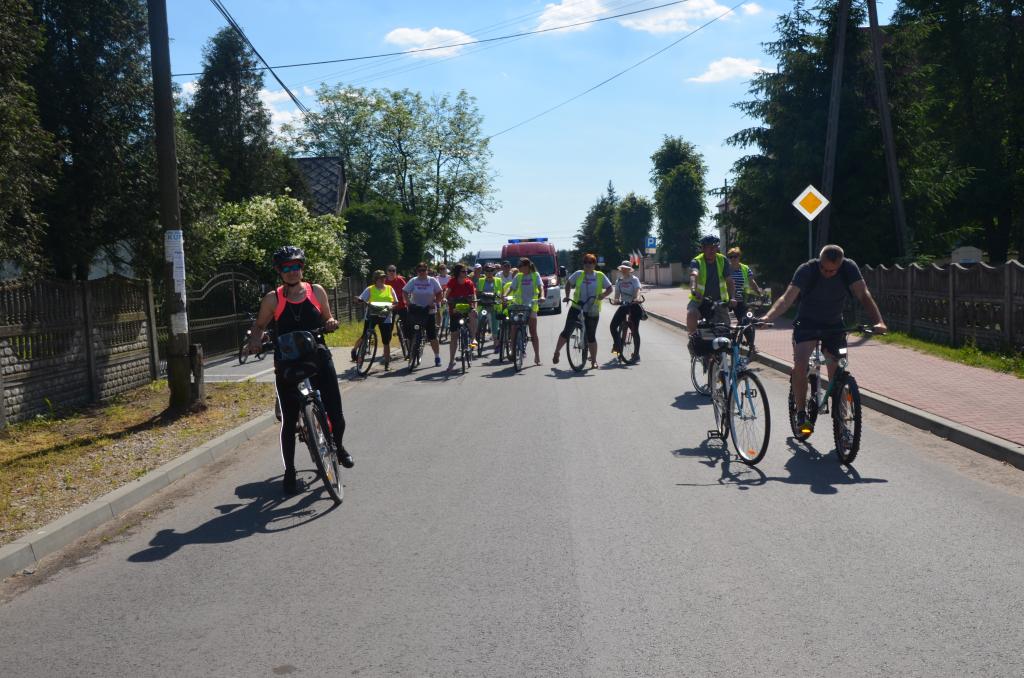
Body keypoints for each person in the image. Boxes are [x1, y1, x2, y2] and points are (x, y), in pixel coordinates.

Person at [248, 246, 353, 495]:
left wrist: (331, 322)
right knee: (288, 420)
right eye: (286, 268)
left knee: (336, 414)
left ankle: (338, 447)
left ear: (302, 268)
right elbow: (260, 325)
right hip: (287, 362)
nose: (292, 271)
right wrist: (255, 340)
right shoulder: (273, 299)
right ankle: (290, 471)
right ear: (279, 271)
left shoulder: (316, 291)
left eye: (296, 266)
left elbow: (327, 317)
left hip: (317, 357)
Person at [759, 244, 887, 434]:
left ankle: (842, 421)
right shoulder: (807, 270)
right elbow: (786, 299)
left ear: (840, 264)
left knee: (837, 371)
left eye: (832, 271)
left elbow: (863, 294)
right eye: (824, 269)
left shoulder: (849, 268)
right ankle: (801, 413)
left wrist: (879, 321)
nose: (828, 273)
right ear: (820, 261)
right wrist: (768, 317)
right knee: (801, 364)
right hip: (806, 324)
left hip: (833, 325)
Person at [553, 253, 612, 369]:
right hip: (577, 307)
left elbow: (610, 288)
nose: (588, 265)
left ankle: (593, 361)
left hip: (592, 309)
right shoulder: (578, 274)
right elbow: (568, 283)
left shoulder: (600, 275)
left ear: (594, 264)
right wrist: (567, 296)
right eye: (585, 262)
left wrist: (603, 295)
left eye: (590, 262)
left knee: (591, 336)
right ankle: (557, 352)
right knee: (567, 331)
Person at [686, 234, 737, 338]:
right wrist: (693, 290)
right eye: (708, 247)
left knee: (726, 331)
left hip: (719, 300)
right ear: (703, 249)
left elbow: (729, 281)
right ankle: (692, 336)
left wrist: (732, 297)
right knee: (691, 313)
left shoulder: (722, 260)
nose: (712, 250)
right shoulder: (697, 261)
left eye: (714, 247)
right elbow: (694, 275)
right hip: (700, 299)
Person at [353, 269, 398, 370]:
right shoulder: (370, 289)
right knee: (365, 335)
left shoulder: (390, 288)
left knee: (386, 340)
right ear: (376, 279)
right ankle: (355, 350)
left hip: (386, 317)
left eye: (384, 277)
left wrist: (391, 307)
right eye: (380, 277)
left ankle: (387, 363)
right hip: (371, 315)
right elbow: (361, 299)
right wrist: (358, 300)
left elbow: (396, 302)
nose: (383, 279)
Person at [403, 262, 444, 367]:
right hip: (416, 310)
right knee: (410, 333)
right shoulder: (413, 281)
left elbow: (440, 293)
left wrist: (435, 303)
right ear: (417, 271)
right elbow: (405, 292)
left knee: (432, 336)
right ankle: (411, 352)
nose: (421, 272)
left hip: (428, 311)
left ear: (427, 270)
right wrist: (408, 302)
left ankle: (437, 357)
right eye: (419, 270)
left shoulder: (432, 280)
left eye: (424, 270)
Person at [505, 257, 544, 365]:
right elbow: (511, 288)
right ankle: (512, 351)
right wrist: (505, 295)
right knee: (514, 327)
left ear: (527, 266)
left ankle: (537, 355)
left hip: (531, 306)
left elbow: (541, 287)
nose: (519, 268)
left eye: (520, 266)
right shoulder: (518, 276)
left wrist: (542, 296)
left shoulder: (535, 275)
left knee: (533, 331)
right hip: (519, 306)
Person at [445, 263, 479, 369]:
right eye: (463, 271)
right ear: (458, 273)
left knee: (473, 314)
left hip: (467, 308)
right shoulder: (452, 282)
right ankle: (451, 361)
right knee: (454, 336)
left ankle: (473, 338)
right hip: (455, 310)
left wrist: (475, 307)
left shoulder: (469, 283)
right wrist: (445, 299)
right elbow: (447, 293)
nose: (466, 273)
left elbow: (474, 296)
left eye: (466, 271)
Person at [609, 260, 643, 358]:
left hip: (633, 306)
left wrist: (637, 298)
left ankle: (636, 354)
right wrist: (616, 300)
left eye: (626, 268)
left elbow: (638, 290)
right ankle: (617, 345)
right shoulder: (619, 281)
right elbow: (617, 294)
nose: (624, 270)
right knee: (613, 326)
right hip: (624, 305)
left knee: (634, 330)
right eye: (622, 268)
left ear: (630, 270)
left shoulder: (634, 279)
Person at [726, 246, 762, 324]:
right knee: (724, 322)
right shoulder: (726, 269)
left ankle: (741, 330)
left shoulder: (745, 268)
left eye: (735, 256)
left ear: (739, 257)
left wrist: (759, 292)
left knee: (744, 321)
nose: (733, 259)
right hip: (728, 299)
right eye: (731, 257)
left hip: (741, 300)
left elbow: (752, 282)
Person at [476, 264, 505, 352]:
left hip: (494, 306)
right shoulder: (481, 280)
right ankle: (480, 334)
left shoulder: (499, 280)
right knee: (479, 319)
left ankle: (496, 343)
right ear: (484, 272)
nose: (489, 272)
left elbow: (502, 294)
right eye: (487, 270)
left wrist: (502, 300)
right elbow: (477, 293)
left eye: (491, 270)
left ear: (494, 271)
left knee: (495, 324)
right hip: (483, 306)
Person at [384, 264, 409, 353]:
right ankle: (386, 350)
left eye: (393, 270)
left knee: (406, 325)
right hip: (391, 308)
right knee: (388, 328)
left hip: (401, 305)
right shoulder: (385, 281)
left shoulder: (400, 280)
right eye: (390, 270)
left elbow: (407, 290)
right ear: (387, 272)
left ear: (396, 272)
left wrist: (407, 301)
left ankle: (409, 345)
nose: (391, 272)